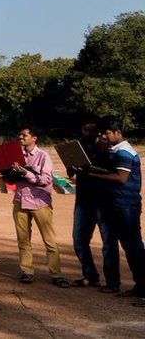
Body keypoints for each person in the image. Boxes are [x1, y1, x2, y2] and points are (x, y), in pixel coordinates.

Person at [85, 116, 145, 300]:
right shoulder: (116, 150)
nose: (104, 136)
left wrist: (95, 175)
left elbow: (121, 178)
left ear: (118, 132)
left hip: (126, 204)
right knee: (130, 247)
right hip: (118, 203)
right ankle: (140, 286)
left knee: (134, 247)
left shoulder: (124, 152)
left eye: (107, 133)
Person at [6, 126, 68, 286]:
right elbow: (13, 181)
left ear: (34, 138)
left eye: (24, 135)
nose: (21, 137)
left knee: (49, 240)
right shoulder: (16, 156)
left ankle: (56, 274)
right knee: (23, 240)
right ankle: (27, 271)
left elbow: (46, 180)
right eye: (19, 134)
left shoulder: (43, 156)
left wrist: (26, 173)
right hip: (20, 200)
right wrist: (7, 174)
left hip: (39, 202)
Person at [67, 118, 116, 289]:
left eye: (91, 129)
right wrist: (73, 167)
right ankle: (90, 275)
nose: (88, 133)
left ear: (98, 131)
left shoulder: (106, 147)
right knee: (79, 239)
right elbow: (70, 173)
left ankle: (112, 282)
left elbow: (112, 172)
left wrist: (90, 168)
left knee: (108, 242)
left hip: (103, 200)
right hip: (83, 200)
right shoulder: (77, 146)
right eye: (85, 129)